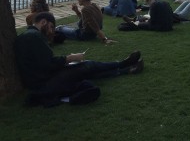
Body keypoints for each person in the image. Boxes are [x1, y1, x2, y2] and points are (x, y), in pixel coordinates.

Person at [14, 12, 144, 107]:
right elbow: (48, 64)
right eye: (52, 27)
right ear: (43, 22)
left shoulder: (29, 36)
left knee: (86, 70)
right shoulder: (34, 37)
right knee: (87, 66)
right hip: (44, 82)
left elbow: (45, 63)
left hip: (41, 79)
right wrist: (70, 58)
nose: (52, 31)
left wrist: (67, 60)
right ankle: (123, 64)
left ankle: (127, 69)